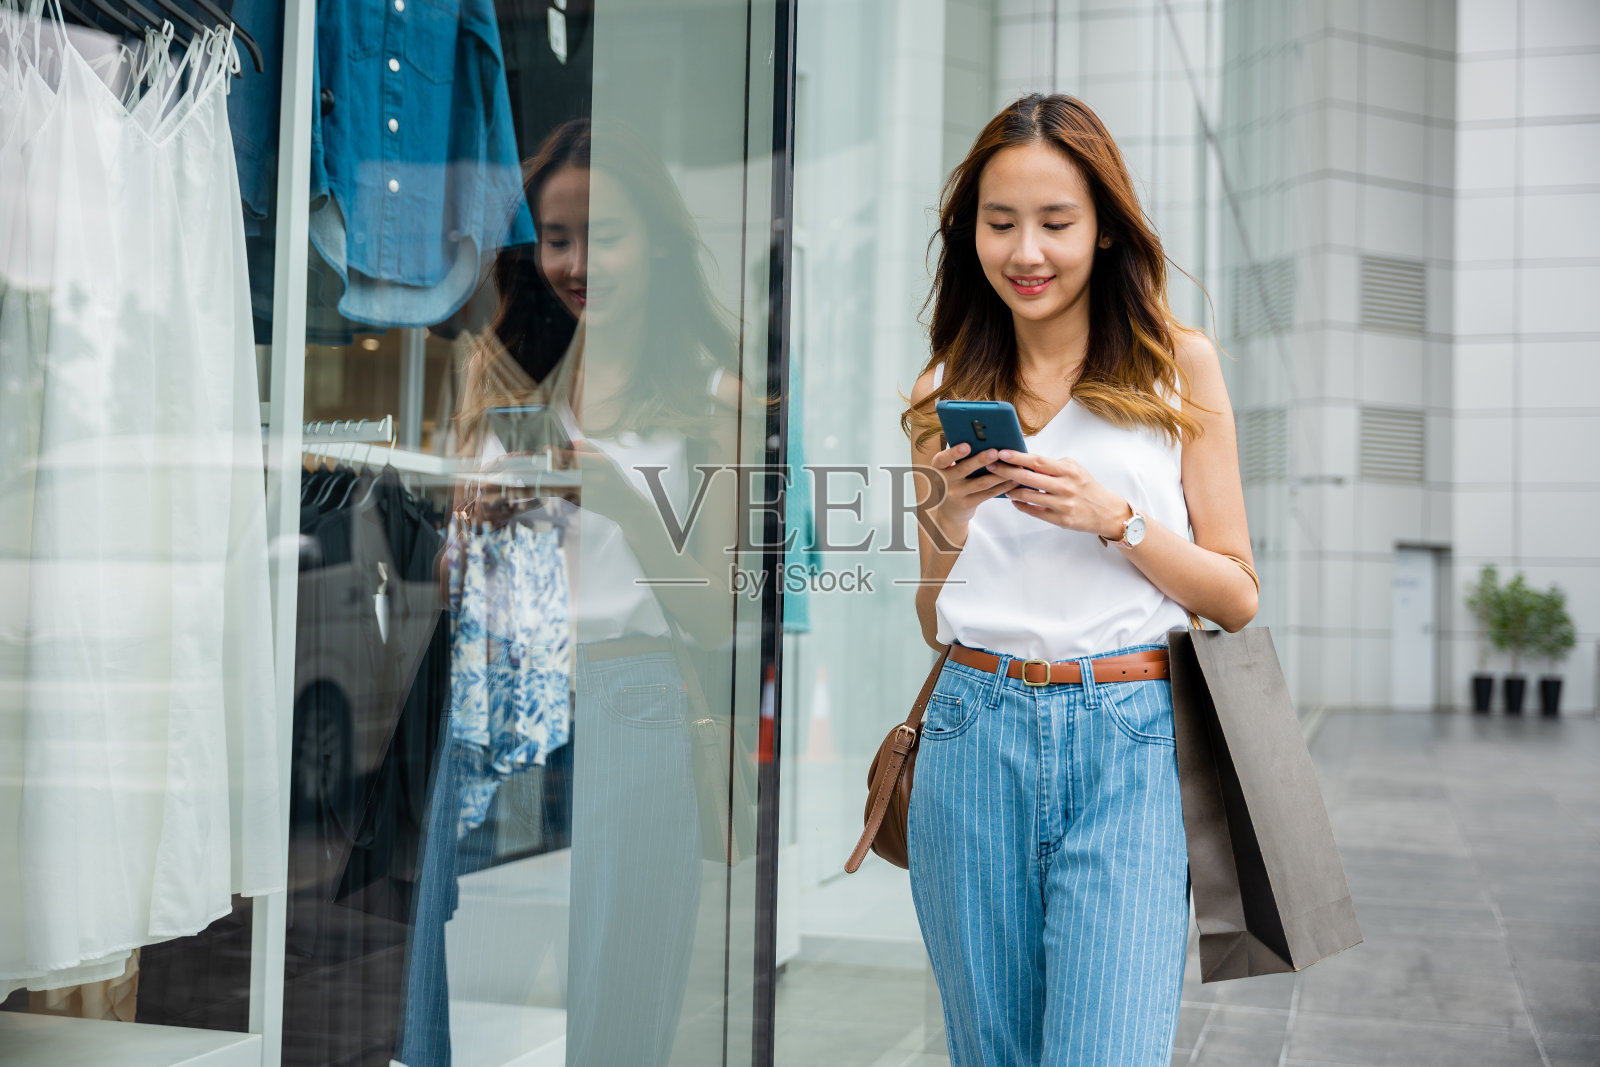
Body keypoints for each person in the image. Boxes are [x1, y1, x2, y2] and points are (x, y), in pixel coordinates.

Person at [902, 93, 1257, 1066]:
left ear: (1104, 228)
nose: (1026, 251)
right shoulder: (947, 387)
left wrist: (1119, 522)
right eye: (999, 221)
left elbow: (1234, 593)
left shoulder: (1176, 366)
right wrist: (950, 511)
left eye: (1055, 222)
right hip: (973, 729)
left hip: (1132, 737)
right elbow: (935, 617)